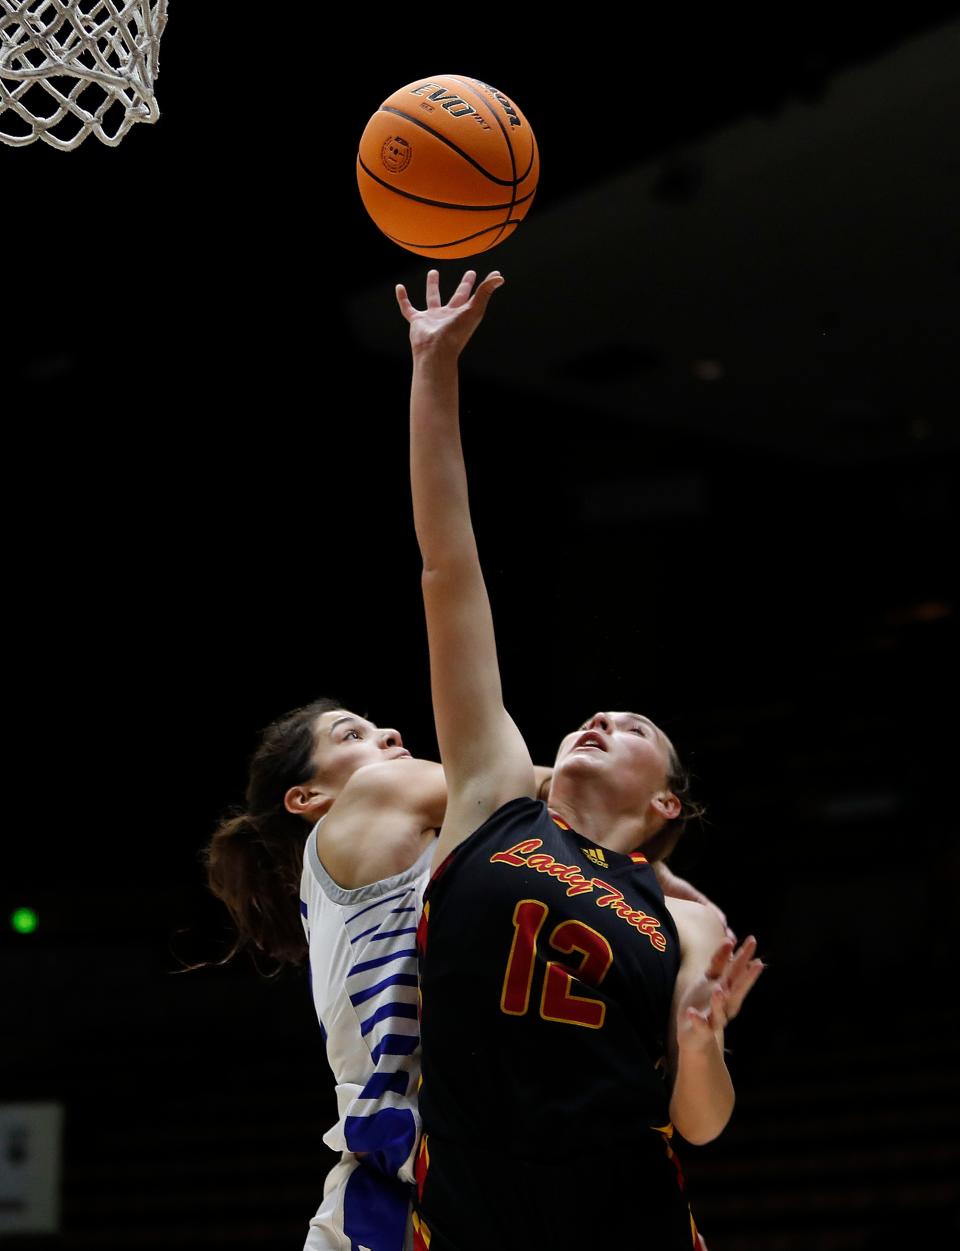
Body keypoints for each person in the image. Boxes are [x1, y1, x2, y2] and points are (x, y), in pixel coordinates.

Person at [396, 268, 764, 1251]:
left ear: (670, 803)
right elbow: (450, 567)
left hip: (624, 1216)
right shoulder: (492, 797)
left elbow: (703, 1120)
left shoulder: (684, 913)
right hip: (472, 1207)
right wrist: (435, 371)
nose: (601, 717)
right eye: (599, 715)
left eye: (634, 725)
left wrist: (698, 1042)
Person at [204, 696, 728, 1251]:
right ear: (307, 798)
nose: (389, 734)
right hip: (392, 1193)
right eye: (350, 736)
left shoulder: (457, 857)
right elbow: (509, 784)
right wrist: (634, 834)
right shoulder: (376, 804)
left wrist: (628, 866)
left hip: (473, 1174)